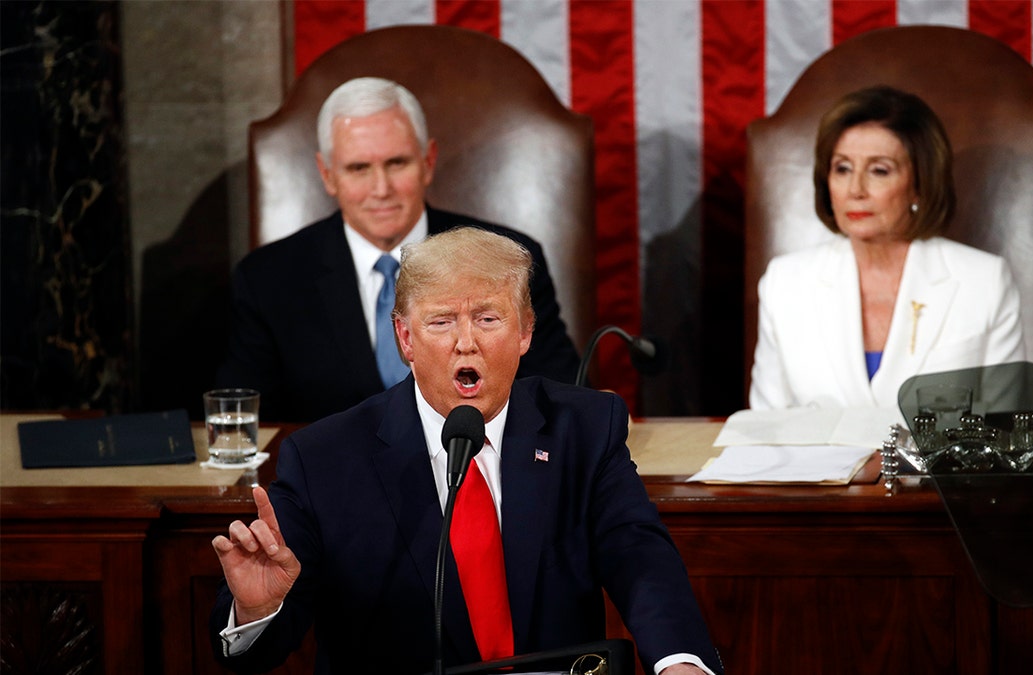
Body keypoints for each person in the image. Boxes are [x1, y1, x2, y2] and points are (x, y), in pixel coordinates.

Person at [209, 227, 722, 674]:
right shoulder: (325, 459)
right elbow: (259, 649)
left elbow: (639, 555)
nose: (465, 343)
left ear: (525, 332)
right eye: (440, 322)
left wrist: (678, 661)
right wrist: (257, 612)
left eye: (487, 318)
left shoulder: (584, 429)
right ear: (405, 338)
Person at [215, 77, 580, 422]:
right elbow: (246, 422)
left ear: (428, 162)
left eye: (396, 163)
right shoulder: (269, 278)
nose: (381, 188)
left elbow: (563, 397)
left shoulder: (507, 260)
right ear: (327, 174)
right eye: (359, 168)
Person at [749, 85, 1025, 411]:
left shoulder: (983, 281)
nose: (856, 189)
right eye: (842, 168)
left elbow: (1005, 429)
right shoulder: (786, 282)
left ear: (920, 185)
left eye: (879, 170)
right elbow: (766, 431)